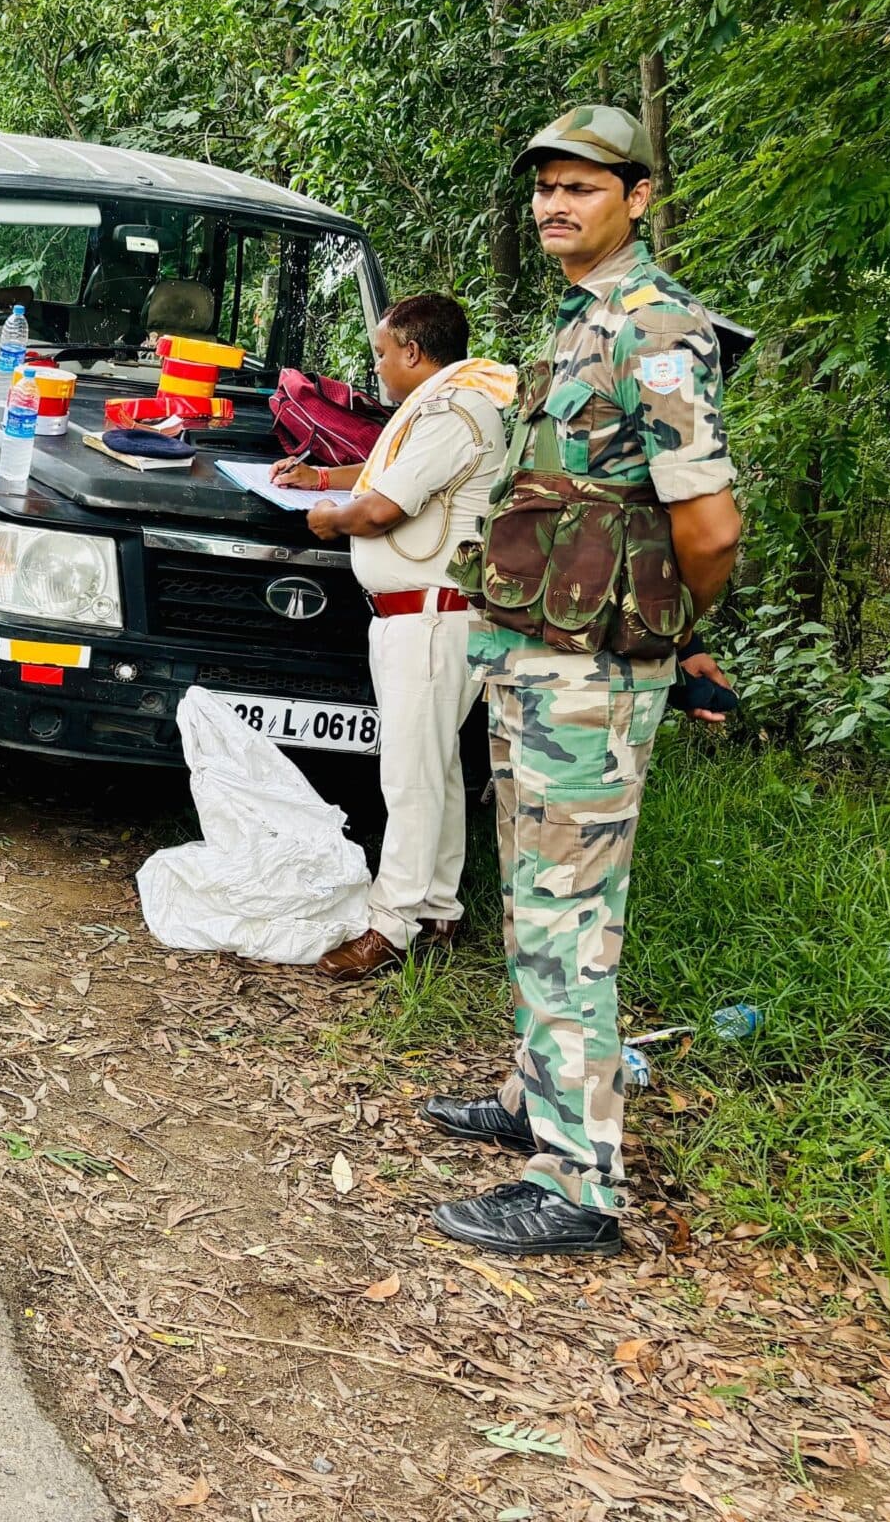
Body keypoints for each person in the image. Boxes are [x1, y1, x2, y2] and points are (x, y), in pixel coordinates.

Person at [420, 106, 742, 1258]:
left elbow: (706, 523)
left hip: (592, 677)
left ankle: (578, 1183)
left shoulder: (655, 331)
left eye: (583, 189)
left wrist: (672, 627)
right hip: (538, 661)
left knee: (570, 917)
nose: (557, 206)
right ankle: (534, 1100)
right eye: (546, 189)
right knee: (535, 896)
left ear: (638, 197)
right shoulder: (576, 323)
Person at [273, 294, 513, 979]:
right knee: (433, 767)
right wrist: (321, 476)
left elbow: (378, 509)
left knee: (408, 775)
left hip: (433, 616)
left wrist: (327, 515)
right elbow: (387, 477)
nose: (376, 367)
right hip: (418, 614)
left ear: (412, 350)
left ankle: (392, 924)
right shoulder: (441, 405)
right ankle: (437, 908)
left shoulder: (452, 411)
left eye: (381, 352)